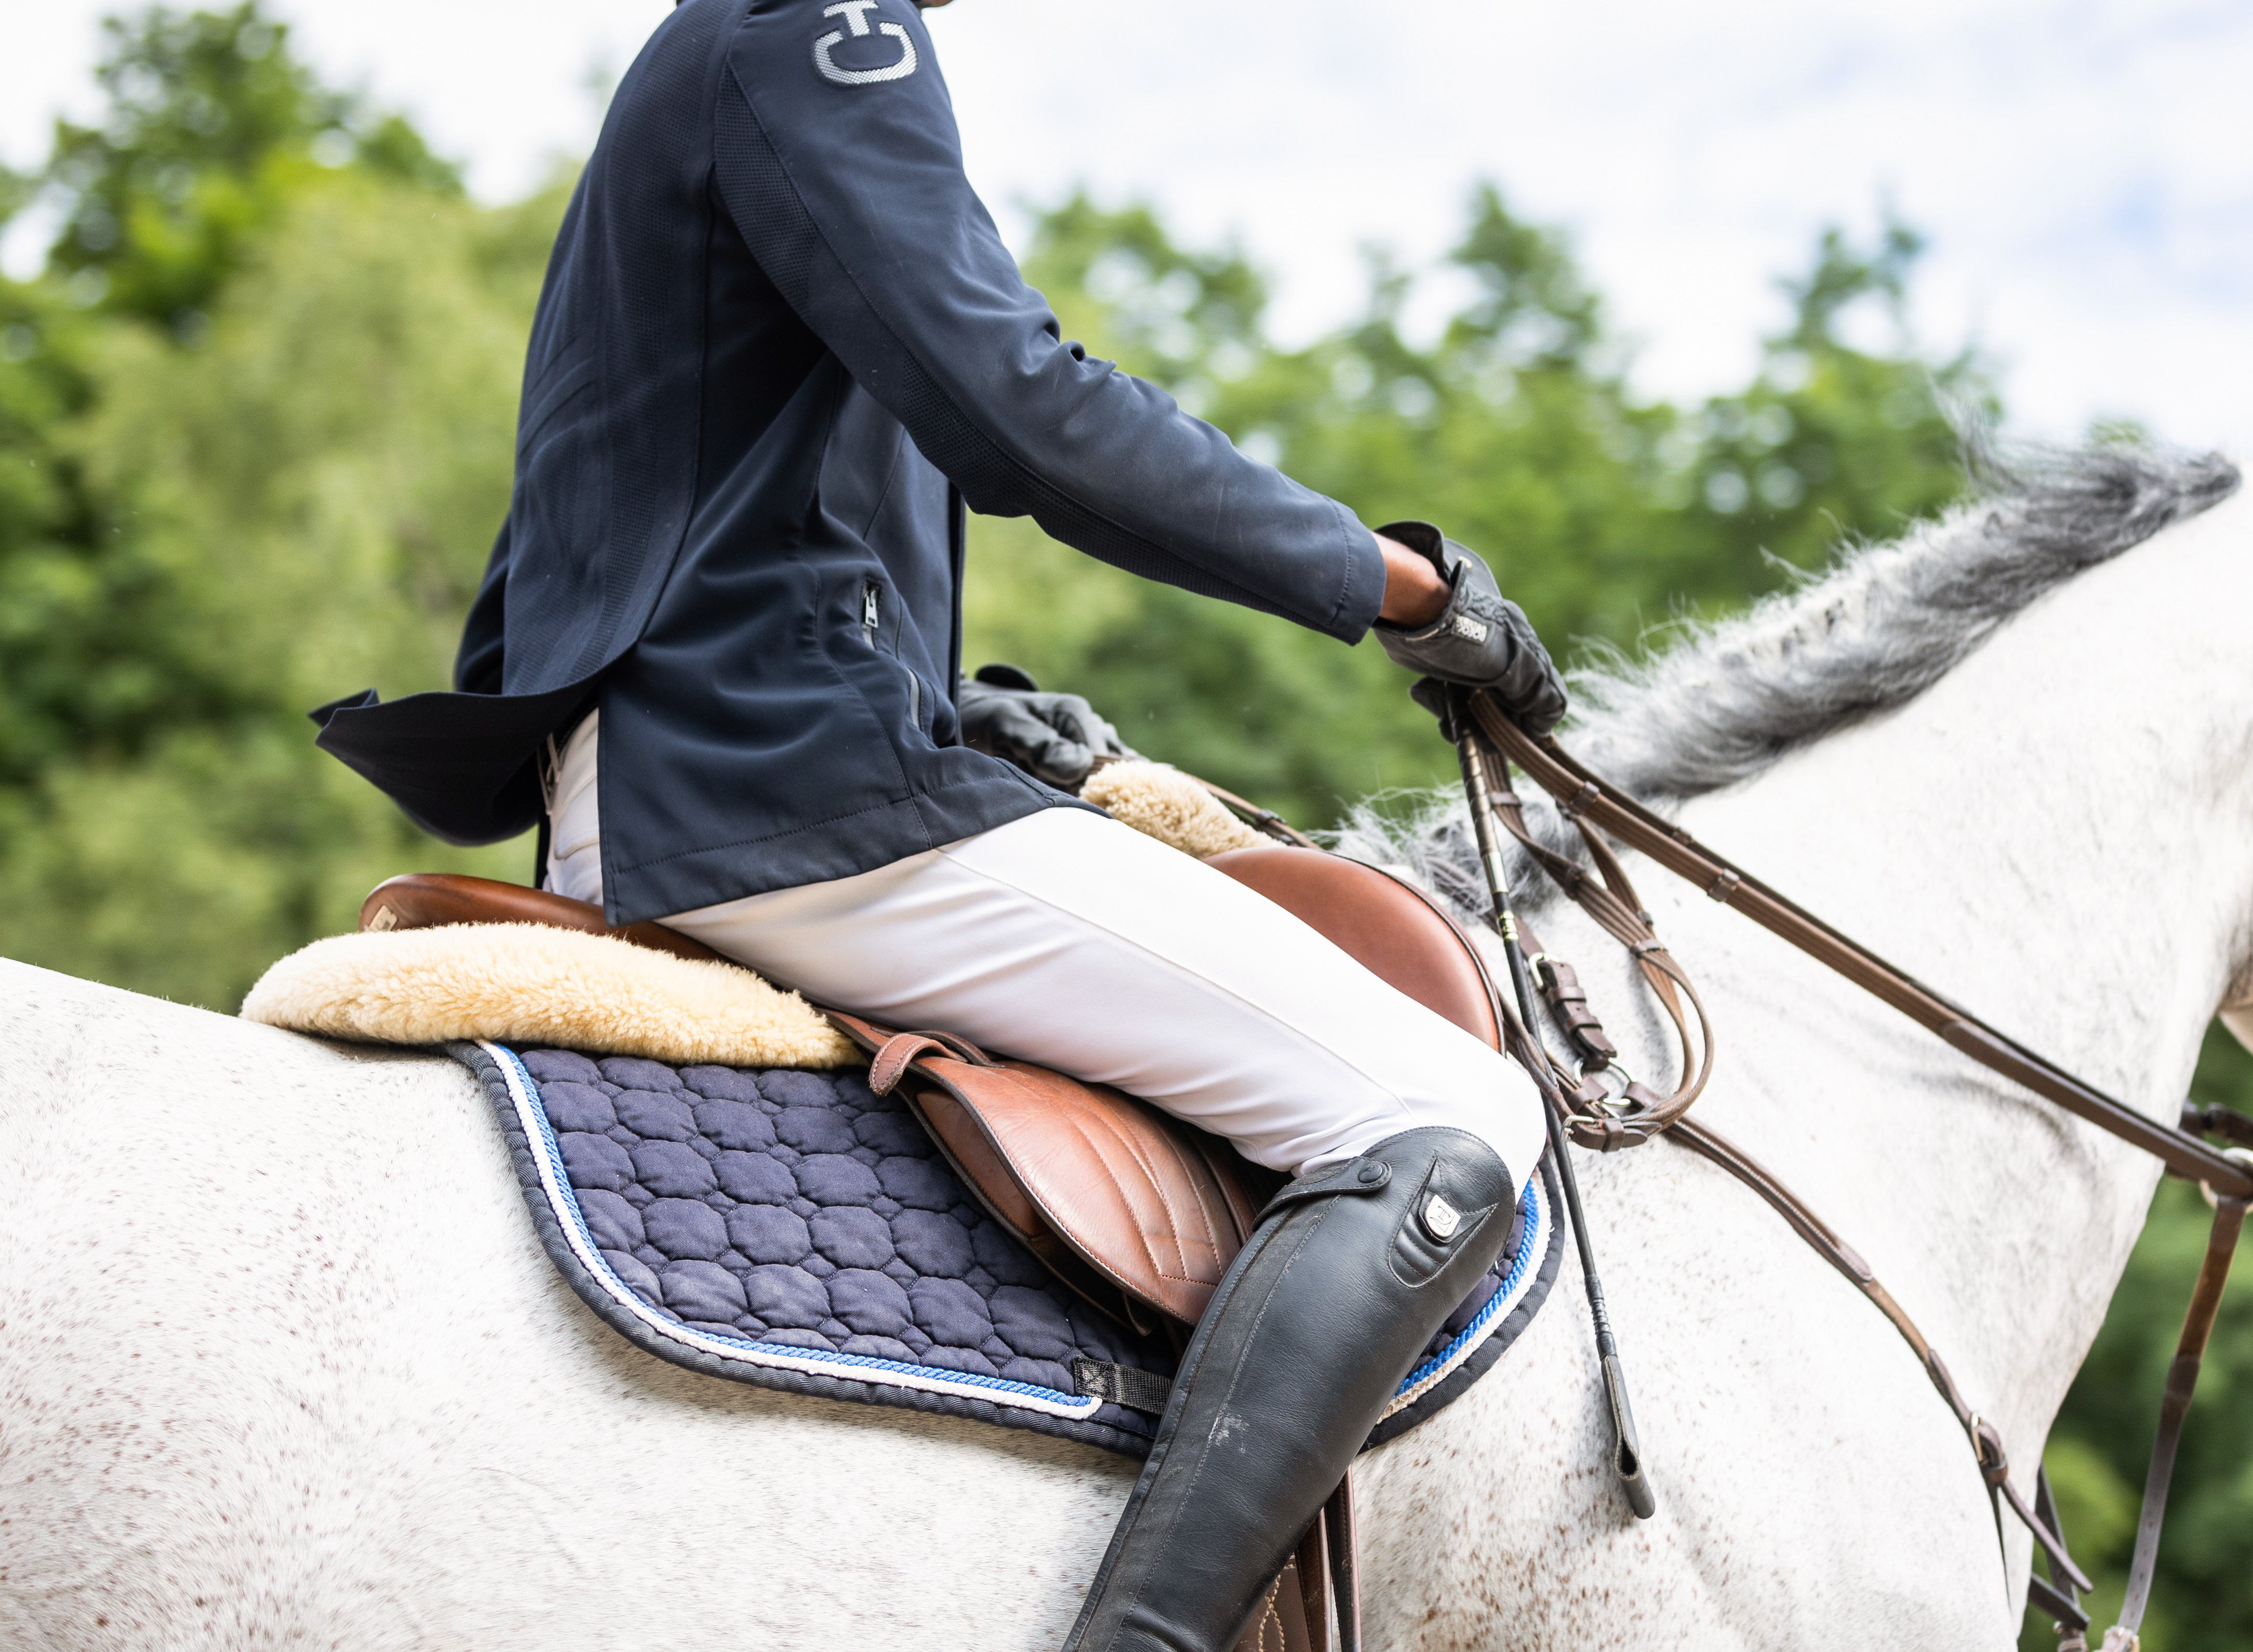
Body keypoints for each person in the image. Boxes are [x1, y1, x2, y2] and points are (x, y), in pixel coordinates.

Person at [312, 2, 1568, 1645]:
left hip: (728, 762)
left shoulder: (734, 49)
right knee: (1441, 1100)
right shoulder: (818, 26)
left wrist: (940, 704)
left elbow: (689, 490)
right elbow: (1021, 406)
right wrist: (1392, 580)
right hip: (775, 790)